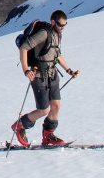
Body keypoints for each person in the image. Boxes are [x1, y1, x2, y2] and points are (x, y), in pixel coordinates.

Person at [11, 10, 81, 147]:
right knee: (43, 110)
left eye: (65, 25)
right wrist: (26, 70)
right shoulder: (44, 33)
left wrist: (69, 70)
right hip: (38, 76)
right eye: (60, 25)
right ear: (53, 22)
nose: (62, 28)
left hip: (53, 74)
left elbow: (57, 55)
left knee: (56, 106)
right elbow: (24, 48)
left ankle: (48, 135)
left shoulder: (57, 35)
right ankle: (19, 126)